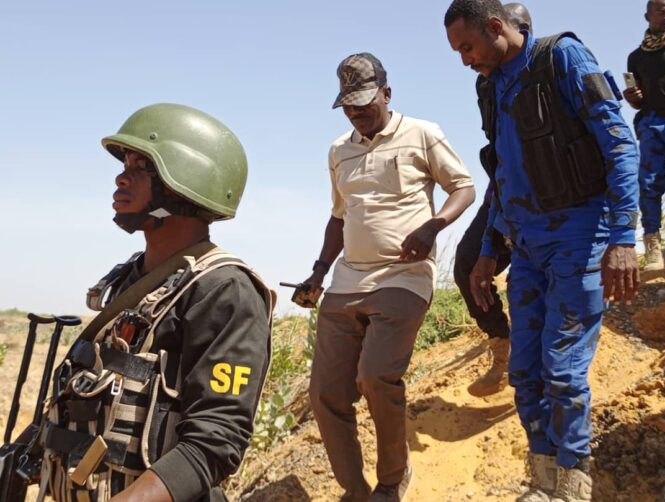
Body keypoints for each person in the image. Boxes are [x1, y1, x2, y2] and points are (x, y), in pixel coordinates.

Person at [445, 1, 640, 500]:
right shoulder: (490, 87)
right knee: (525, 371)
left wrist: (623, 237)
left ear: (495, 27)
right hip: (526, 246)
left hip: (579, 235)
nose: (465, 59)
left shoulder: (562, 58)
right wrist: (488, 248)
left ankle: (573, 483)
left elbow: (620, 144)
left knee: (563, 368)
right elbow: (502, 174)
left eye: (467, 46)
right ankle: (544, 480)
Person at [36, 103, 274, 502]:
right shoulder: (131, 278)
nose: (121, 176)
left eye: (141, 166)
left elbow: (215, 443)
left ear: (184, 182)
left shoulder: (225, 290)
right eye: (125, 163)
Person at [298, 53, 474, 501]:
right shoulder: (338, 151)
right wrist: (318, 273)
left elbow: (464, 187)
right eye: (348, 105)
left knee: (376, 376)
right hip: (347, 280)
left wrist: (433, 227)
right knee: (325, 394)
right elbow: (339, 217)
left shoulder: (422, 134)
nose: (356, 112)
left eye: (364, 103)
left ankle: (393, 479)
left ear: (387, 94)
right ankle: (356, 490)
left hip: (404, 276)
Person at [454, 1, 533, 398]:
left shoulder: (547, 68)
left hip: (552, 198)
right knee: (468, 263)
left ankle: (539, 376)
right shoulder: (485, 84)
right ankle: (502, 350)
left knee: (530, 286)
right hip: (502, 190)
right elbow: (497, 147)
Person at [624, 0, 665, 271]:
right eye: (662, 10)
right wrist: (633, 97)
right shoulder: (636, 57)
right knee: (649, 184)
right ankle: (653, 245)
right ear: (647, 16)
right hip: (651, 123)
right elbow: (637, 99)